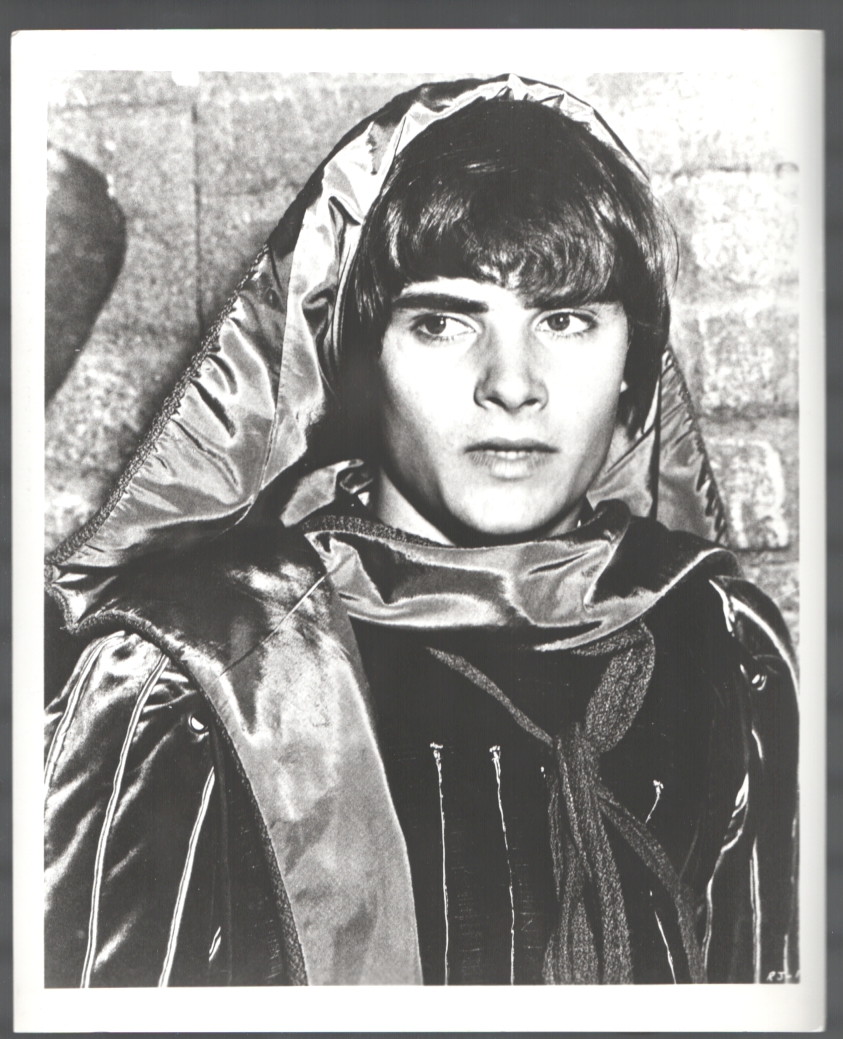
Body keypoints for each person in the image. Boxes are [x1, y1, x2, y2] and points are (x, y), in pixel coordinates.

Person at [44, 74, 798, 987]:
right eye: (441, 322)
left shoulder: (723, 644)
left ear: (634, 361)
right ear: (357, 357)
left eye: (564, 319)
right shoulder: (194, 679)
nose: (511, 383)